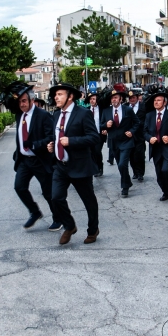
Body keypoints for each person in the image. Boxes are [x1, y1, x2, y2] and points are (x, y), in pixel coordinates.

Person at [46, 83, 101, 245]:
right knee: (55, 198)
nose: (56, 97)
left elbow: (94, 138)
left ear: (70, 96)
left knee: (89, 201)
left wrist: (71, 141)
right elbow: (57, 136)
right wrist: (52, 145)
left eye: (60, 94)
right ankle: (69, 226)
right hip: (60, 166)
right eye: (55, 95)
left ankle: (93, 230)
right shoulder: (56, 115)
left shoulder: (83, 114)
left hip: (80, 165)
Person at [7, 85, 60, 231]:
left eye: (24, 101)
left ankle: (58, 218)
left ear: (32, 100)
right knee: (19, 187)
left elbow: (51, 137)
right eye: (20, 102)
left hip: (40, 160)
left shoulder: (43, 115)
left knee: (48, 192)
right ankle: (35, 212)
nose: (22, 104)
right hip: (24, 160)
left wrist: (34, 144)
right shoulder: (19, 115)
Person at [144, 88, 168, 202]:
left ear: (164, 102)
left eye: (159, 100)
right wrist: (149, 138)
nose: (156, 102)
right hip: (156, 149)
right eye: (155, 100)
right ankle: (165, 192)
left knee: (166, 170)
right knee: (159, 173)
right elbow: (144, 131)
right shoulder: (149, 115)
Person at [101, 88, 139, 198]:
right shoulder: (106, 111)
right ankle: (128, 182)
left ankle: (124, 187)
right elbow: (101, 125)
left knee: (123, 164)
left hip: (126, 141)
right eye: (112, 98)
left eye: (116, 97)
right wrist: (105, 126)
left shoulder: (127, 110)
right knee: (120, 165)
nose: (114, 100)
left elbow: (137, 122)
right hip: (114, 142)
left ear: (120, 99)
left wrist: (132, 131)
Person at [127, 89, 146, 182]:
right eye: (130, 98)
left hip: (140, 134)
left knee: (139, 155)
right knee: (131, 155)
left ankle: (140, 173)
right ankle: (135, 171)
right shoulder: (125, 107)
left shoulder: (143, 106)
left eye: (133, 97)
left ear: (137, 98)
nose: (132, 99)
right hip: (129, 135)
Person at [85, 91, 105, 177]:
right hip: (89, 135)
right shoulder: (86, 110)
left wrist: (105, 129)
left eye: (93, 99)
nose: (92, 101)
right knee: (91, 152)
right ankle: (95, 168)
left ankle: (100, 167)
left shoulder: (101, 109)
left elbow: (105, 120)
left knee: (97, 151)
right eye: (90, 99)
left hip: (99, 134)